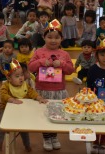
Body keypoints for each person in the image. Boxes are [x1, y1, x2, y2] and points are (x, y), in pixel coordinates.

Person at [28, 19, 75, 151]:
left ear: (62, 39)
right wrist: (41, 61)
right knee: (44, 114)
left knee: (57, 113)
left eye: (56, 38)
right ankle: (46, 137)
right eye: (49, 37)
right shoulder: (38, 53)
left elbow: (71, 70)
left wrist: (62, 64)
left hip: (59, 90)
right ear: (44, 37)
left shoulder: (64, 54)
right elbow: (30, 68)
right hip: (42, 90)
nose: (53, 40)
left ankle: (54, 136)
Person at [0, 59, 47, 151]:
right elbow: (3, 94)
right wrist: (11, 99)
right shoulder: (6, 85)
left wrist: (39, 98)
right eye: (17, 76)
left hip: (21, 111)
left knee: (24, 129)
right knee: (2, 128)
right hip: (6, 110)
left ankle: (27, 145)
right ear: (9, 78)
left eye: (22, 75)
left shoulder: (25, 85)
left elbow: (32, 92)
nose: (21, 78)